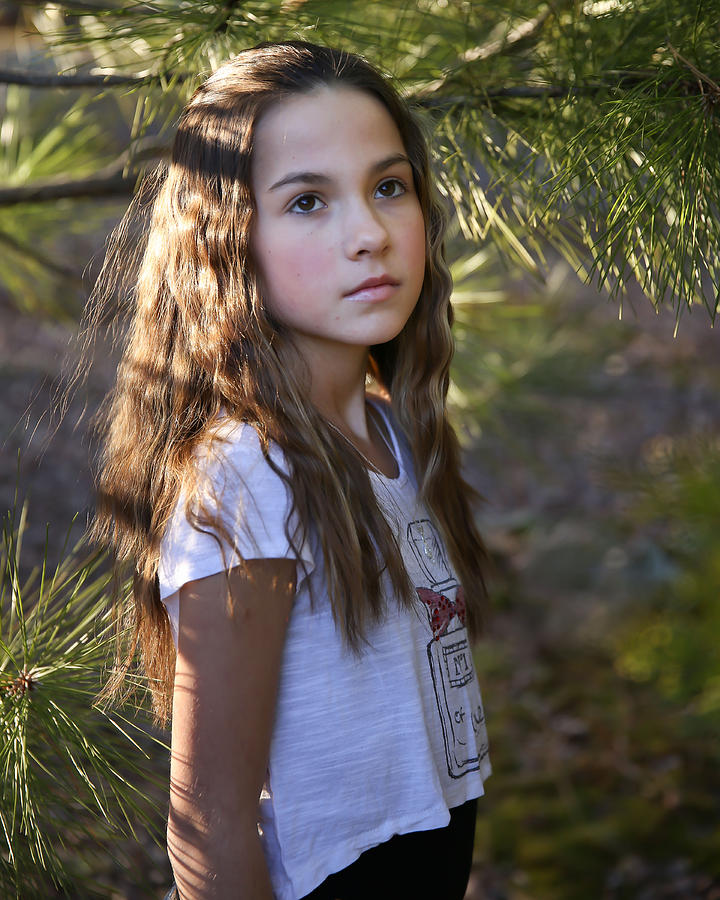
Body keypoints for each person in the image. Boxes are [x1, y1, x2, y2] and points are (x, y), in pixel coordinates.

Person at [91, 40, 491, 900]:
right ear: (229, 243)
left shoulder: (392, 424)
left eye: (389, 186)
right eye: (307, 201)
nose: (370, 234)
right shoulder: (248, 474)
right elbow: (209, 825)